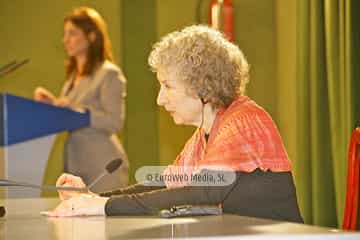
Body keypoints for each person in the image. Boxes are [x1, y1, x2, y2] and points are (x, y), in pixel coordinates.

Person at [44, 25, 303, 223]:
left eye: (167, 86)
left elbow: (201, 192)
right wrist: (94, 199)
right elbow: (166, 183)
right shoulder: (208, 130)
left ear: (203, 86)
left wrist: (102, 207)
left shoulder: (244, 122)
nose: (159, 99)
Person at [34, 7, 129, 192]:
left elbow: (115, 122)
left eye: (72, 33)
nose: (65, 40)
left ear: (92, 36)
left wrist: (78, 111)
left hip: (102, 165)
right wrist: (52, 106)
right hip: (75, 164)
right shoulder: (72, 78)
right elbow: (72, 113)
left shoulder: (109, 73)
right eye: (65, 34)